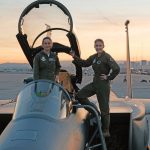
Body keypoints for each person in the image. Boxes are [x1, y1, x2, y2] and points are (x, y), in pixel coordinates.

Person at [70, 38, 120, 137]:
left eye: (100, 45)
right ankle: (93, 111)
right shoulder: (94, 57)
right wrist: (74, 56)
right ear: (94, 47)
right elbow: (84, 63)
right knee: (80, 95)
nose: (98, 47)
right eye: (96, 46)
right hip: (95, 82)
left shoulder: (106, 57)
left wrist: (109, 77)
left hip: (103, 85)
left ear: (103, 46)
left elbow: (116, 68)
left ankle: (105, 131)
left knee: (104, 109)